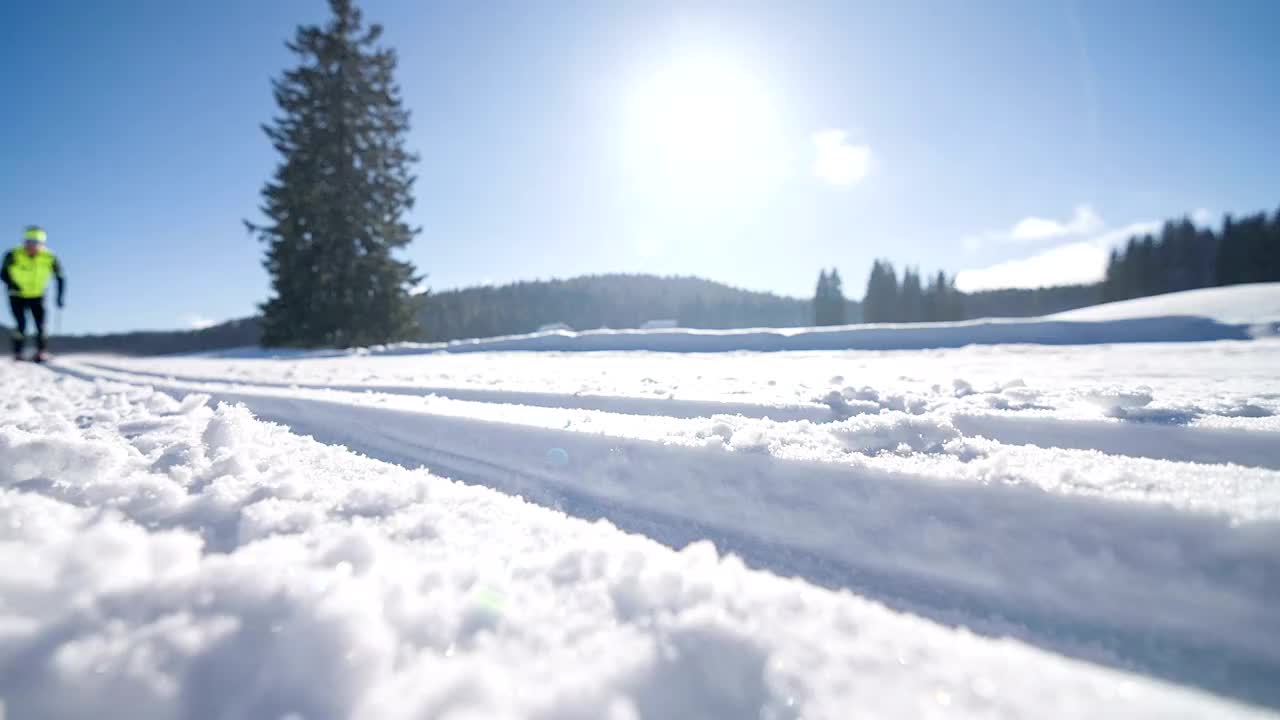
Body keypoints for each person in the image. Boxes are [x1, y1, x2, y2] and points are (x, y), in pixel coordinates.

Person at [3, 226, 66, 362]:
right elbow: (3, 273)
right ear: (24, 241)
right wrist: (12, 284)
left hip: (37, 295)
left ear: (42, 244)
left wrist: (60, 296)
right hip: (16, 295)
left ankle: (40, 352)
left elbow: (60, 277)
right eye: (29, 241)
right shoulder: (13, 254)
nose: (31, 245)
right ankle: (18, 353)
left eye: (35, 242)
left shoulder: (50, 257)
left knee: (41, 325)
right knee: (21, 324)